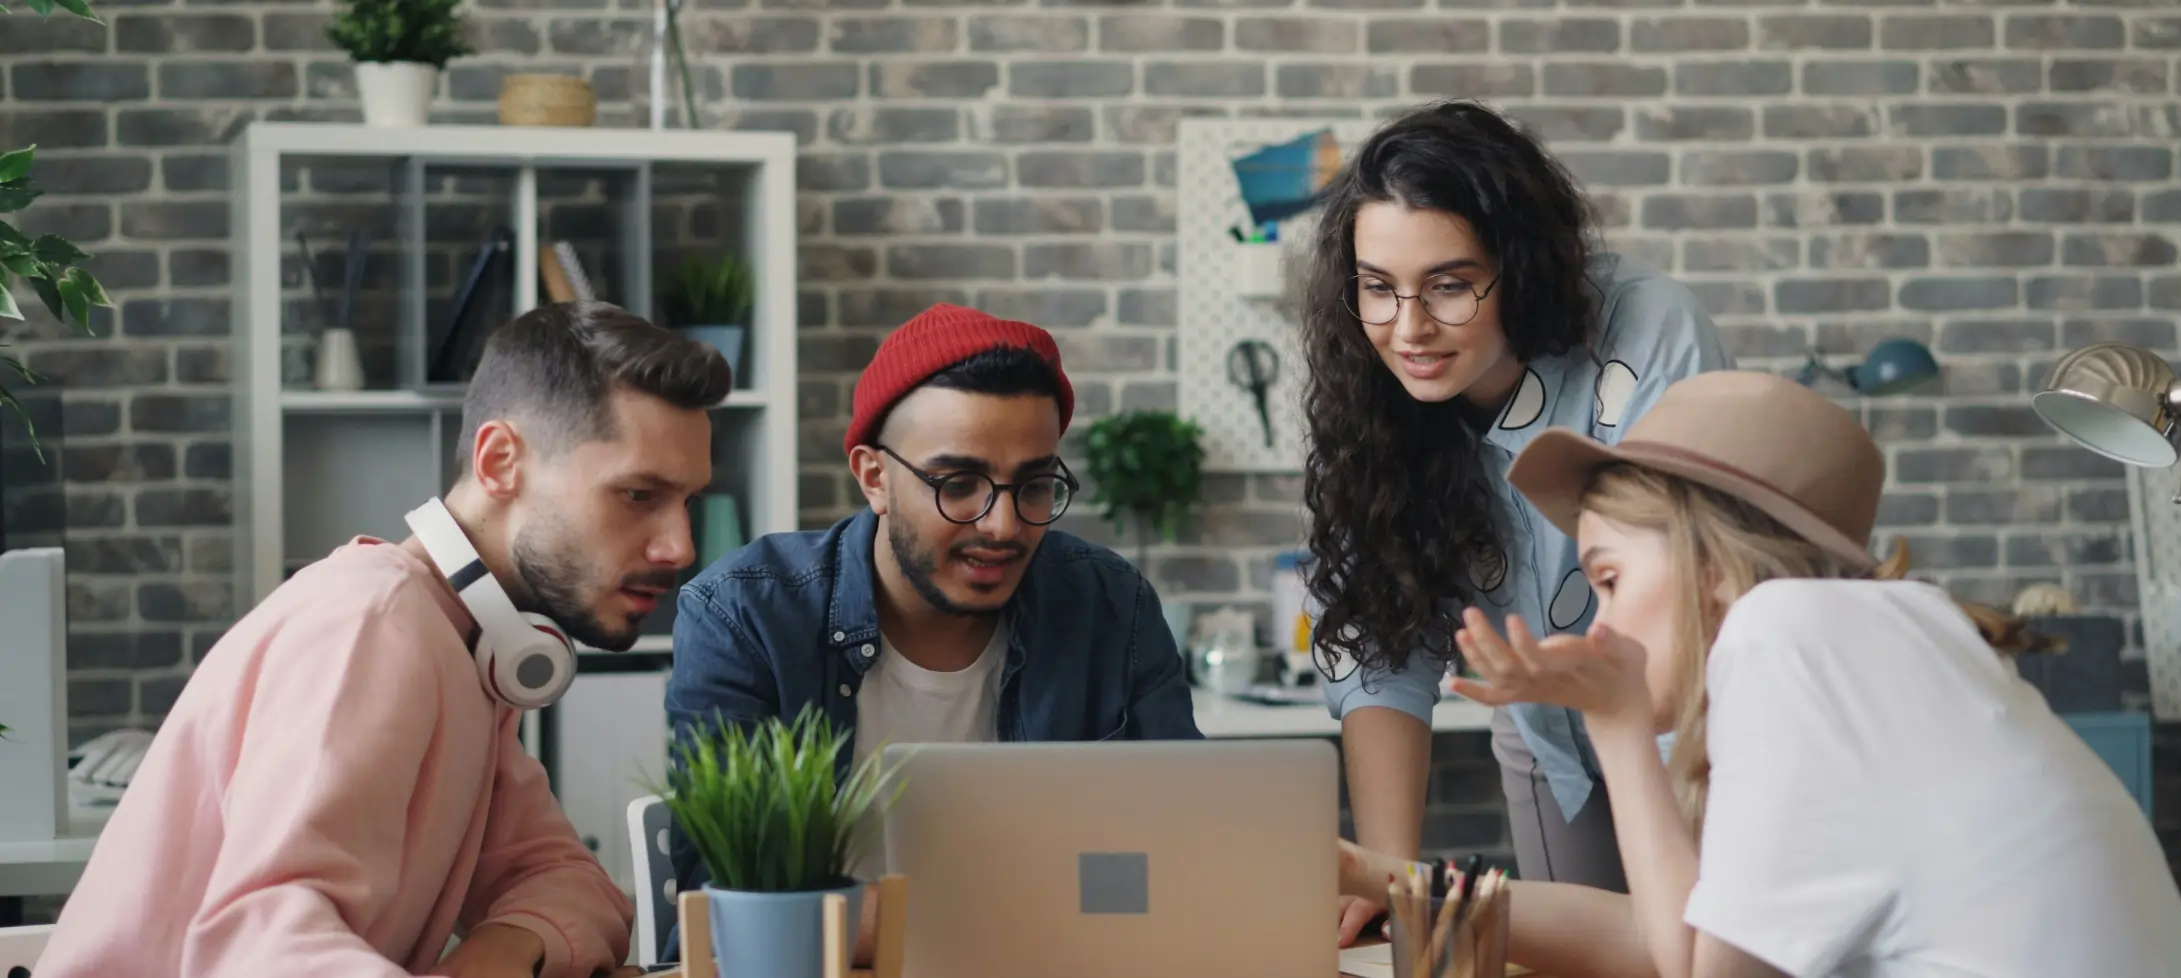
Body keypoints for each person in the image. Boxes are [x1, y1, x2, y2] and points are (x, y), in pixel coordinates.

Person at [1337, 370, 2181, 978]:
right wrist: (1372, 873)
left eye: (1608, 581)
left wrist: (1617, 720)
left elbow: (1692, 971)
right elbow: (1672, 941)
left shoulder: (1783, 630)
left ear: (1711, 568)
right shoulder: (1884, 635)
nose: (1598, 625)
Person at [36, 301, 733, 978]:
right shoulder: (373, 627)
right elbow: (260, 945)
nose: (680, 546)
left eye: (688, 502)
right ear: (499, 463)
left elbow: (565, 879)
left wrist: (509, 946)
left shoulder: (471, 642)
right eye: (639, 495)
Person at [1299, 98, 1733, 942]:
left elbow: (1686, 596)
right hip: (1547, 743)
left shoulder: (1651, 335)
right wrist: (1385, 876)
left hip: (1696, 730)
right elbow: (1381, 645)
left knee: (1695, 954)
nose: (1409, 328)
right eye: (1378, 289)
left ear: (1521, 266)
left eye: (1450, 286)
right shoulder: (1365, 389)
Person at [665, 302, 1202, 945]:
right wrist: (1009, 916)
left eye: (1033, 486)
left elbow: (1179, 848)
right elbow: (727, 898)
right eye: (959, 483)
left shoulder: (1110, 603)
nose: (1002, 526)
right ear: (875, 477)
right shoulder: (745, 615)